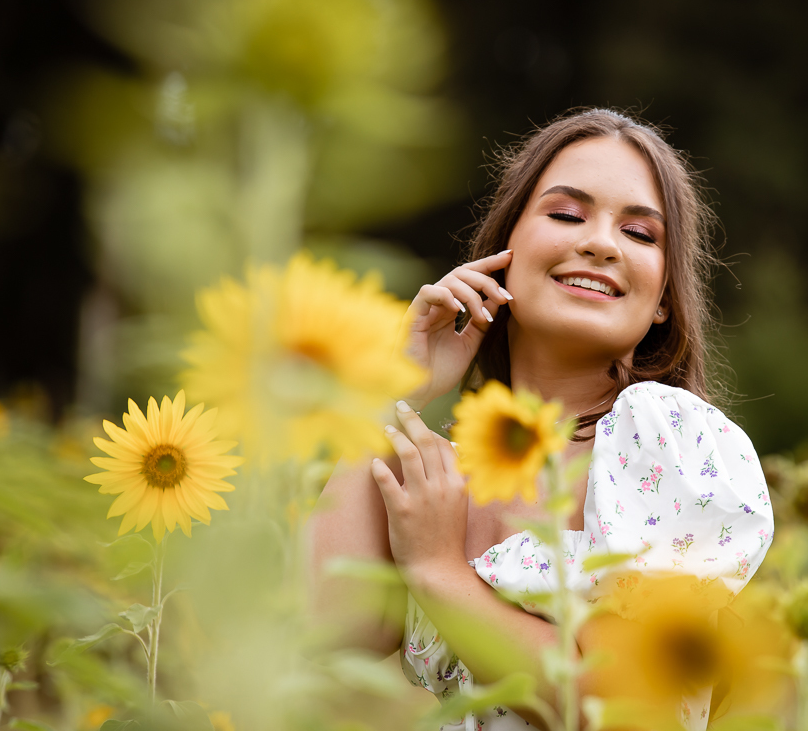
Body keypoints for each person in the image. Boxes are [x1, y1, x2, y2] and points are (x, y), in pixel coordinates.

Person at [307, 108, 774, 730]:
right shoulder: (437, 470)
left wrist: (440, 571)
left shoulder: (665, 441)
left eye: (640, 234)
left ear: (663, 299)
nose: (601, 243)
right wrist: (388, 394)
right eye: (566, 215)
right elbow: (329, 633)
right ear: (503, 252)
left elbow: (629, 710)